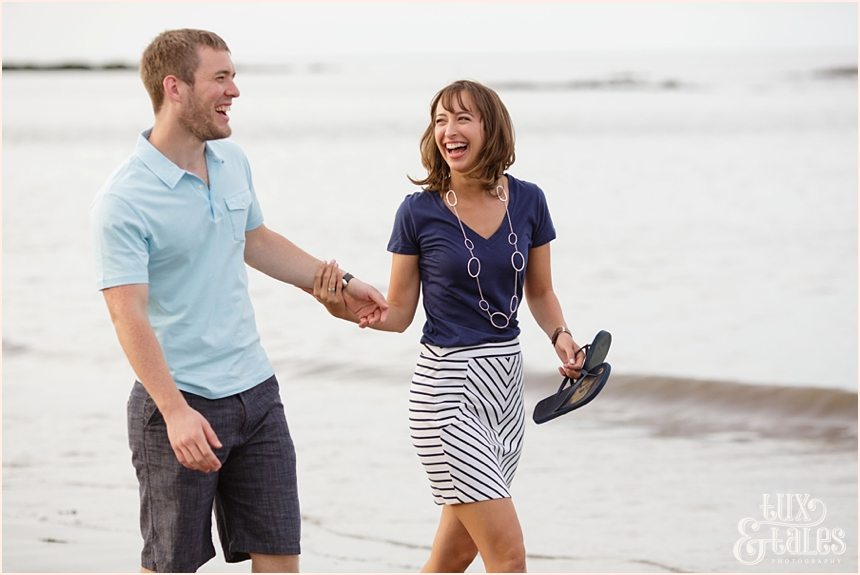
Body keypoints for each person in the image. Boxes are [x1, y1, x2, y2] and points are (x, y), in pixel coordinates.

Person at [90, 29, 388, 573]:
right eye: (221, 78)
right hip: (179, 405)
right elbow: (125, 312)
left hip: (257, 393)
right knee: (170, 566)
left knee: (280, 557)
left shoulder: (231, 162)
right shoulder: (124, 198)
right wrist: (175, 411)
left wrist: (340, 283)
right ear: (174, 87)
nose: (235, 91)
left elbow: (255, 240)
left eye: (234, 76)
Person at [312, 79, 585, 572]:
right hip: (446, 395)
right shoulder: (418, 212)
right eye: (440, 120)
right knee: (508, 555)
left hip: (505, 393)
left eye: (462, 118)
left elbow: (540, 293)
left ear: (491, 128)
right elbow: (397, 314)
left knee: (454, 556)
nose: (449, 131)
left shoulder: (530, 201)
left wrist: (561, 336)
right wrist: (341, 309)